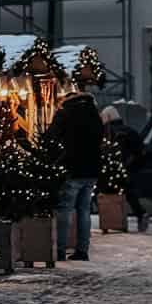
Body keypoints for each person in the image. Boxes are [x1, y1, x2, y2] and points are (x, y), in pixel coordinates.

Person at [46, 89, 104, 261]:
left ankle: (61, 250)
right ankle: (82, 250)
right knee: (84, 210)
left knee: (65, 209)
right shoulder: (94, 114)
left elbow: (51, 136)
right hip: (92, 169)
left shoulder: (65, 113)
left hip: (72, 167)